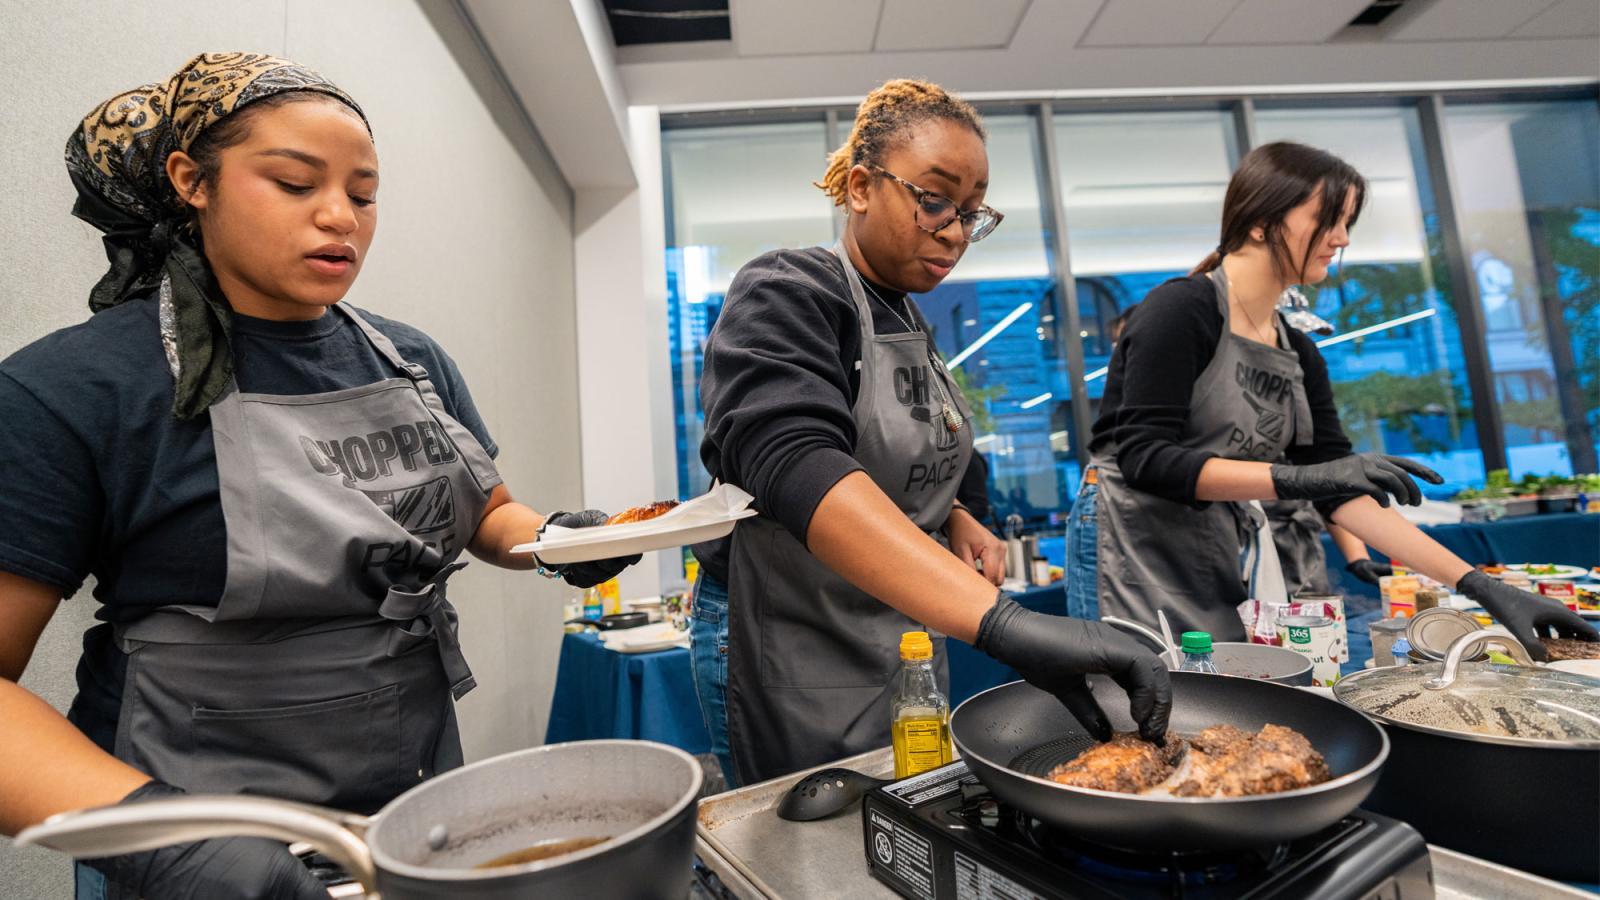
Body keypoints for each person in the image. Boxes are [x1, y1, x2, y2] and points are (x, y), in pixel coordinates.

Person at [0, 53, 636, 900]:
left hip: (413, 807)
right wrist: (170, 844)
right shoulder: (75, 390)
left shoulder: (408, 359)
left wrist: (556, 541)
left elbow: (485, 514)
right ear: (193, 180)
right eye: (296, 184)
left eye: (364, 195)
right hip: (197, 834)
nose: (340, 217)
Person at [691, 80, 1170, 787]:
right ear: (860, 187)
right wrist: (1002, 624)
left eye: (971, 214)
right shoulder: (788, 289)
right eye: (934, 199)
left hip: (900, 626)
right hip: (791, 635)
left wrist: (959, 510)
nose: (953, 230)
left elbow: (919, 441)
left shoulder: (909, 322)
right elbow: (796, 463)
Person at [1065, 141, 1596, 660]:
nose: (1341, 239)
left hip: (1217, 544)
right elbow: (1145, 459)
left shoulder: (1297, 350)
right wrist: (1302, 479)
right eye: (1330, 218)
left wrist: (1479, 585)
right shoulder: (1180, 310)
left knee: (1222, 699)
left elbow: (1338, 490)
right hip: (1133, 544)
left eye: (1349, 223)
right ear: (1259, 220)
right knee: (1142, 704)